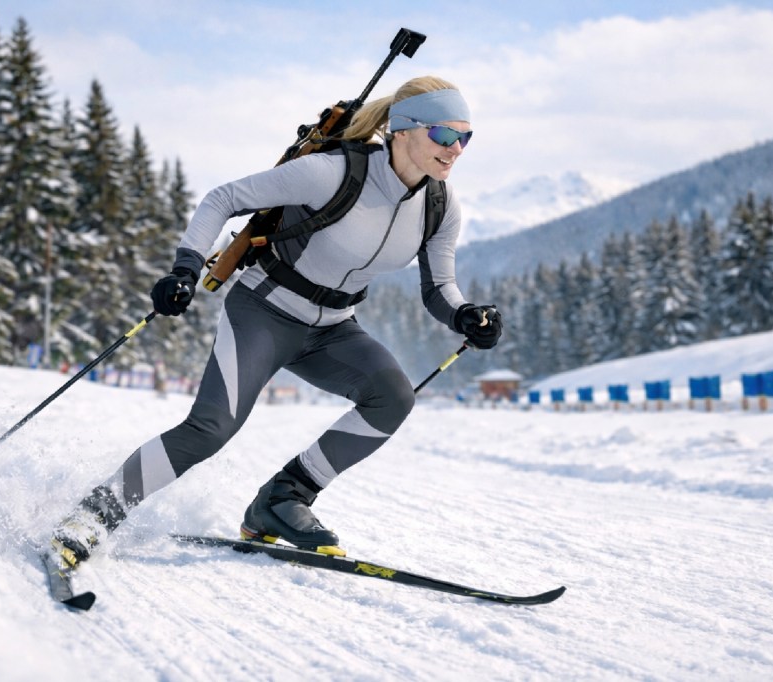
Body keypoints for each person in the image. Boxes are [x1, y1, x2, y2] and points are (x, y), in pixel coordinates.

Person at [49, 76, 503, 567]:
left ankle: (282, 500)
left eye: (466, 137)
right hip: (263, 312)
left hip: (333, 329)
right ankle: (94, 514)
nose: (456, 148)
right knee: (210, 428)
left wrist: (466, 314)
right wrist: (184, 268)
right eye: (444, 135)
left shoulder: (440, 206)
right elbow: (221, 199)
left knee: (393, 396)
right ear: (405, 130)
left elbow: (439, 288)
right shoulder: (332, 173)